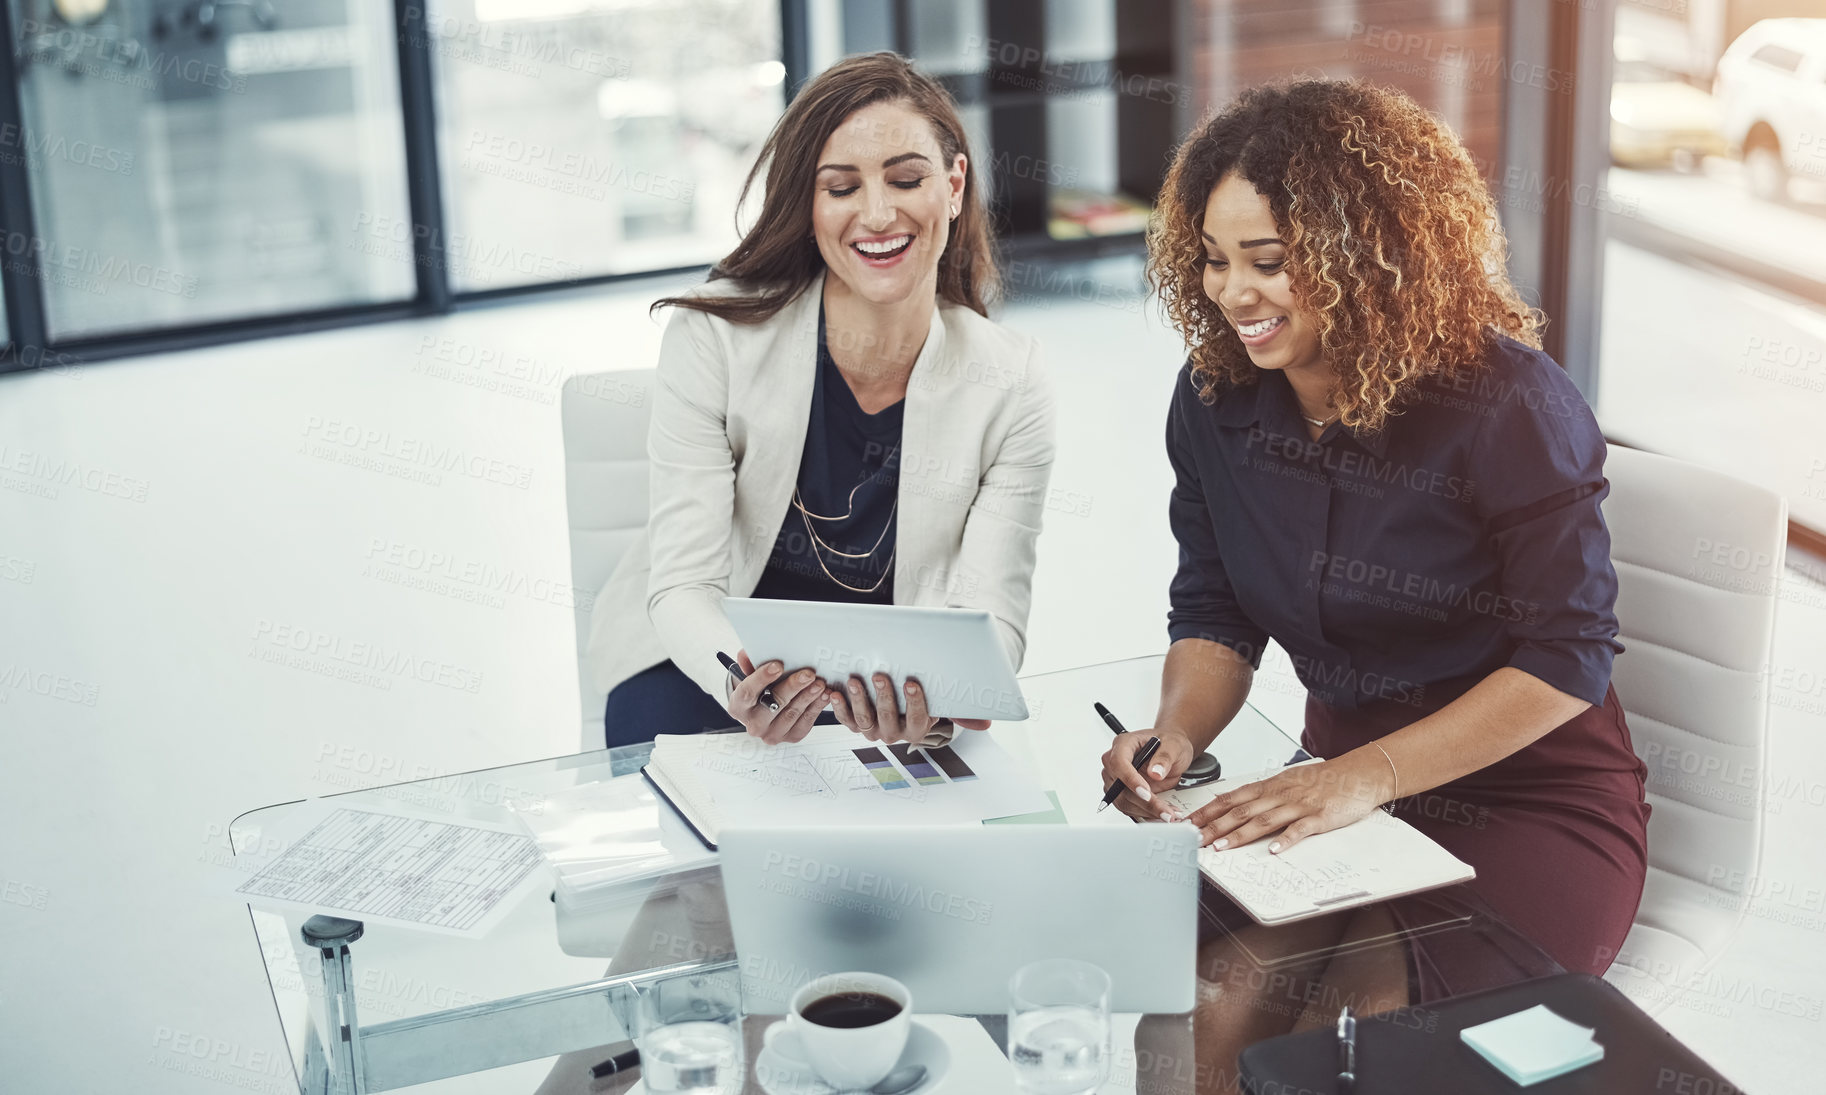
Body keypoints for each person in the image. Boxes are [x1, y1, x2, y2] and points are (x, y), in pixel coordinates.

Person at [1102, 79, 1650, 1089]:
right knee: (1198, 998)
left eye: (1267, 262)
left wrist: (1354, 778)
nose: (1230, 294)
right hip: (1328, 793)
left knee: (1354, 1032)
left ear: (1370, 256)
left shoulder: (1507, 406)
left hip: (1525, 803)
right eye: (1214, 260)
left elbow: (1564, 660)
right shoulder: (1217, 395)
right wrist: (1180, 732)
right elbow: (1213, 606)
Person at [587, 52, 1055, 750]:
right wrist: (742, 679)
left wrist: (940, 703)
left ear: (954, 186)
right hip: (709, 669)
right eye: (841, 187)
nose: (877, 213)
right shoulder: (714, 336)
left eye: (906, 179)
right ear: (808, 205)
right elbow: (683, 584)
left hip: (886, 693)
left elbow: (997, 625)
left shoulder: (1011, 381)